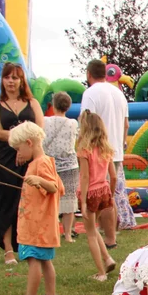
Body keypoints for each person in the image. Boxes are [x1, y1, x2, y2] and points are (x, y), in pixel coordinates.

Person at [3, 122, 65, 295]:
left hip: (37, 225)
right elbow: (60, 188)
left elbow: (54, 187)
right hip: (42, 224)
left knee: (33, 260)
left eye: (19, 148)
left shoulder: (41, 163)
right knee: (45, 261)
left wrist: (39, 180)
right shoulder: (42, 162)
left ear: (29, 143)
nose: (18, 153)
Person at [0, 62, 43, 265]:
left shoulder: (33, 103)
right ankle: (8, 248)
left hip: (29, 156)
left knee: (27, 199)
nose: (11, 81)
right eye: (7, 77)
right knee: (5, 200)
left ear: (22, 80)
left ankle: (27, 243)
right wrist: (18, 141)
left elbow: (40, 128)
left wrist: (25, 149)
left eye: (15, 77)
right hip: (5, 157)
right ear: (2, 81)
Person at [81, 59, 133, 239]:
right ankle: (110, 230)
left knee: (98, 192)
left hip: (97, 149)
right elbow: (126, 124)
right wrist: (122, 143)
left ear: (89, 74)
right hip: (115, 149)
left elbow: (86, 122)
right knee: (110, 192)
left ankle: (105, 232)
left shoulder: (90, 94)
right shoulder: (119, 94)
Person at [75, 110, 118, 281]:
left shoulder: (84, 149)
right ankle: (107, 259)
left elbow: (85, 177)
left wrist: (83, 202)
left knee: (90, 232)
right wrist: (111, 195)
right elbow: (113, 176)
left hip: (90, 193)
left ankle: (101, 273)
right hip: (104, 190)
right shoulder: (106, 149)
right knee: (94, 229)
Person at [43, 92, 79, 242]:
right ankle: (68, 234)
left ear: (53, 104)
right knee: (69, 200)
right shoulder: (73, 123)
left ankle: (50, 232)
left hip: (50, 164)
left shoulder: (45, 121)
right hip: (70, 164)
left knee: (49, 199)